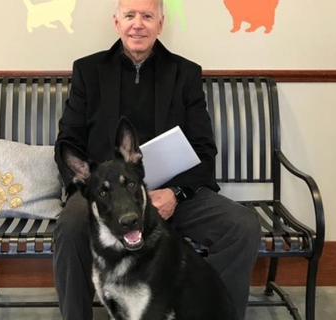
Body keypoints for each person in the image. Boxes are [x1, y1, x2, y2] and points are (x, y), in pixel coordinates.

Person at [53, 0, 261, 319]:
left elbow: (203, 148)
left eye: (147, 16)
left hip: (172, 191)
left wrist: (176, 193)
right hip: (107, 193)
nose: (138, 24)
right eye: (130, 15)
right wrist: (88, 188)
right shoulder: (88, 71)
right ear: (117, 22)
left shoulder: (185, 73)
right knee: (70, 227)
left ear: (160, 24)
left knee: (242, 225)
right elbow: (68, 140)